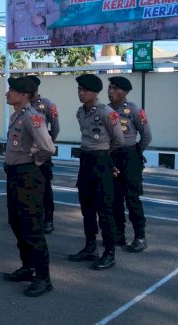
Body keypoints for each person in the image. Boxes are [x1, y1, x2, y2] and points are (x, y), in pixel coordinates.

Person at [2, 76, 56, 297]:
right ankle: (28, 267)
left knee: (32, 227)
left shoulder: (32, 117)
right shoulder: (18, 115)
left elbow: (47, 147)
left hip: (28, 176)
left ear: (23, 95)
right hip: (15, 175)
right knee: (16, 222)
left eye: (11, 91)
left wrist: (35, 162)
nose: (7, 94)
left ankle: (43, 277)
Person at [68, 74, 124, 271]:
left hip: (101, 161)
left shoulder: (107, 113)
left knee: (105, 209)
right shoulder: (80, 113)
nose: (81, 93)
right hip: (86, 161)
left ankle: (109, 253)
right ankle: (90, 247)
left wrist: (105, 157)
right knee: (87, 207)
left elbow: (119, 140)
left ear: (95, 93)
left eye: (85, 90)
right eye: (79, 90)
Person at [107, 76, 152, 253]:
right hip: (111, 157)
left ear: (125, 92)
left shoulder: (134, 110)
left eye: (115, 88)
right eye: (109, 88)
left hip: (129, 157)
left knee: (132, 199)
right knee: (114, 199)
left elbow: (146, 136)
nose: (110, 91)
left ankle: (140, 236)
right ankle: (118, 235)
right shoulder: (105, 110)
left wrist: (135, 153)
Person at [27, 75, 60, 234]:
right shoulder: (23, 105)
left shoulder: (47, 105)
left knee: (45, 187)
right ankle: (32, 217)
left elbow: (55, 128)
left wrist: (46, 144)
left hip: (42, 153)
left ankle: (48, 219)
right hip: (26, 152)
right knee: (28, 186)